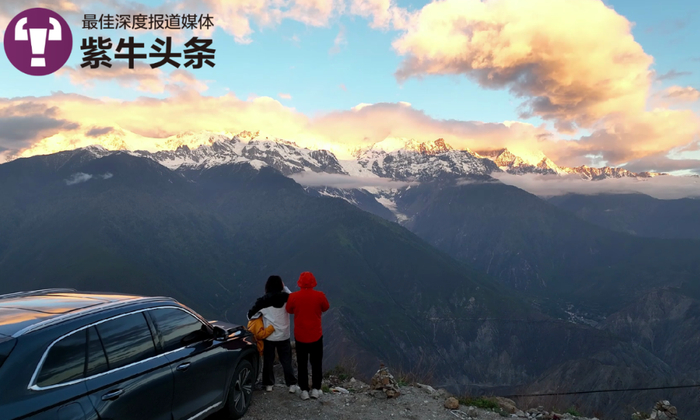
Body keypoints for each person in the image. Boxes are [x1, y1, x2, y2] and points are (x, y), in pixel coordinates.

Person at [247, 275, 298, 394]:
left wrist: (262, 315)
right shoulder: (287, 298)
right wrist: (285, 288)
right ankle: (291, 384)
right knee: (286, 361)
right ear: (280, 285)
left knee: (268, 361)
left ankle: (268, 384)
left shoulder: (263, 300)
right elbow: (295, 300)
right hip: (284, 335)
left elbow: (250, 315)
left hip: (269, 335)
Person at [286, 271, 330, 400]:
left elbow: (289, 310)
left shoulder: (293, 297)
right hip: (316, 335)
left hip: (300, 336)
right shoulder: (320, 295)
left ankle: (304, 390)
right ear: (313, 282)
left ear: (299, 283)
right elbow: (325, 307)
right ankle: (316, 389)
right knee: (316, 363)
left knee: (302, 364)